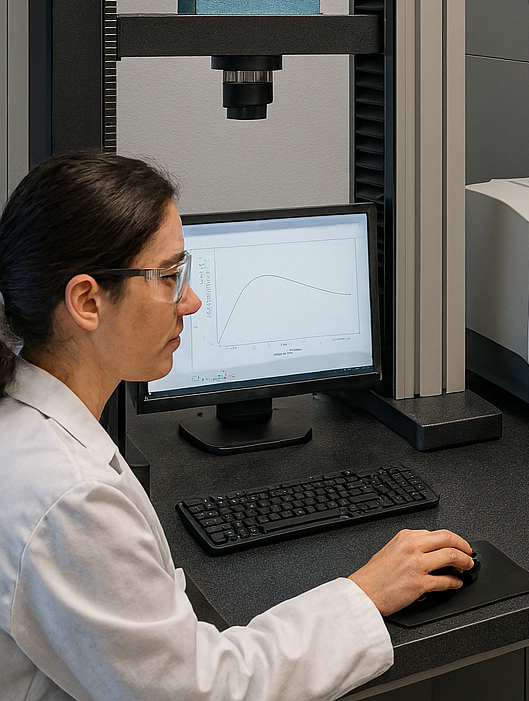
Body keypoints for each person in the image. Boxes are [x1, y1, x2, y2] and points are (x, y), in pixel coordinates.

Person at [0, 151, 477, 701]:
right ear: (86, 300)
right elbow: (204, 692)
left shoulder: (34, 428)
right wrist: (365, 593)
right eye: (169, 276)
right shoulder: (68, 501)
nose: (193, 301)